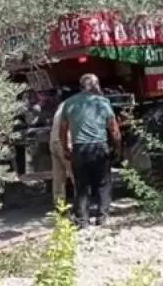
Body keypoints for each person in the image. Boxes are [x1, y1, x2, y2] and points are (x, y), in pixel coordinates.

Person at [59, 74, 121, 227]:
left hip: (79, 149)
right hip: (99, 147)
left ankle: (83, 220)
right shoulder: (102, 102)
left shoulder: (69, 103)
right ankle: (102, 217)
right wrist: (117, 146)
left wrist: (66, 148)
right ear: (96, 85)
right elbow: (113, 129)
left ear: (81, 86)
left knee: (82, 185)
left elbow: (62, 130)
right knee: (103, 183)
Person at [49, 97, 74, 203]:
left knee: (58, 177)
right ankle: (81, 207)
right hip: (64, 140)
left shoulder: (62, 104)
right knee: (76, 174)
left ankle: (59, 204)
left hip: (53, 140)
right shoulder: (74, 105)